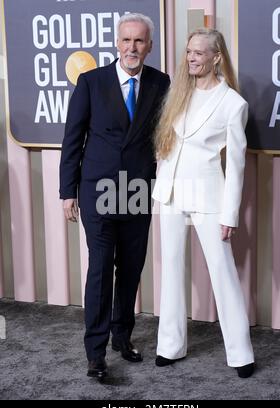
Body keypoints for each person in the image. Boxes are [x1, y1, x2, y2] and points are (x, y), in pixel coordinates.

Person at [59, 13, 170, 381]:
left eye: (139, 41)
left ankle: (122, 337)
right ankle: (95, 352)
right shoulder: (91, 82)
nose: (132, 48)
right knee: (101, 268)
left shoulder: (161, 82)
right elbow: (73, 140)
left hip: (137, 188)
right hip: (99, 190)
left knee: (131, 269)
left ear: (149, 46)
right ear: (116, 44)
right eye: (126, 41)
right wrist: (66, 192)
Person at [152, 29, 255, 379]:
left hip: (209, 196)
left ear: (216, 57)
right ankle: (169, 346)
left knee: (222, 272)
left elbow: (237, 166)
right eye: (188, 52)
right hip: (169, 194)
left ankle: (241, 353)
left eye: (199, 53)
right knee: (171, 270)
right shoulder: (177, 93)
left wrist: (230, 214)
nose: (191, 58)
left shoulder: (233, 104)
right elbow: (168, 145)